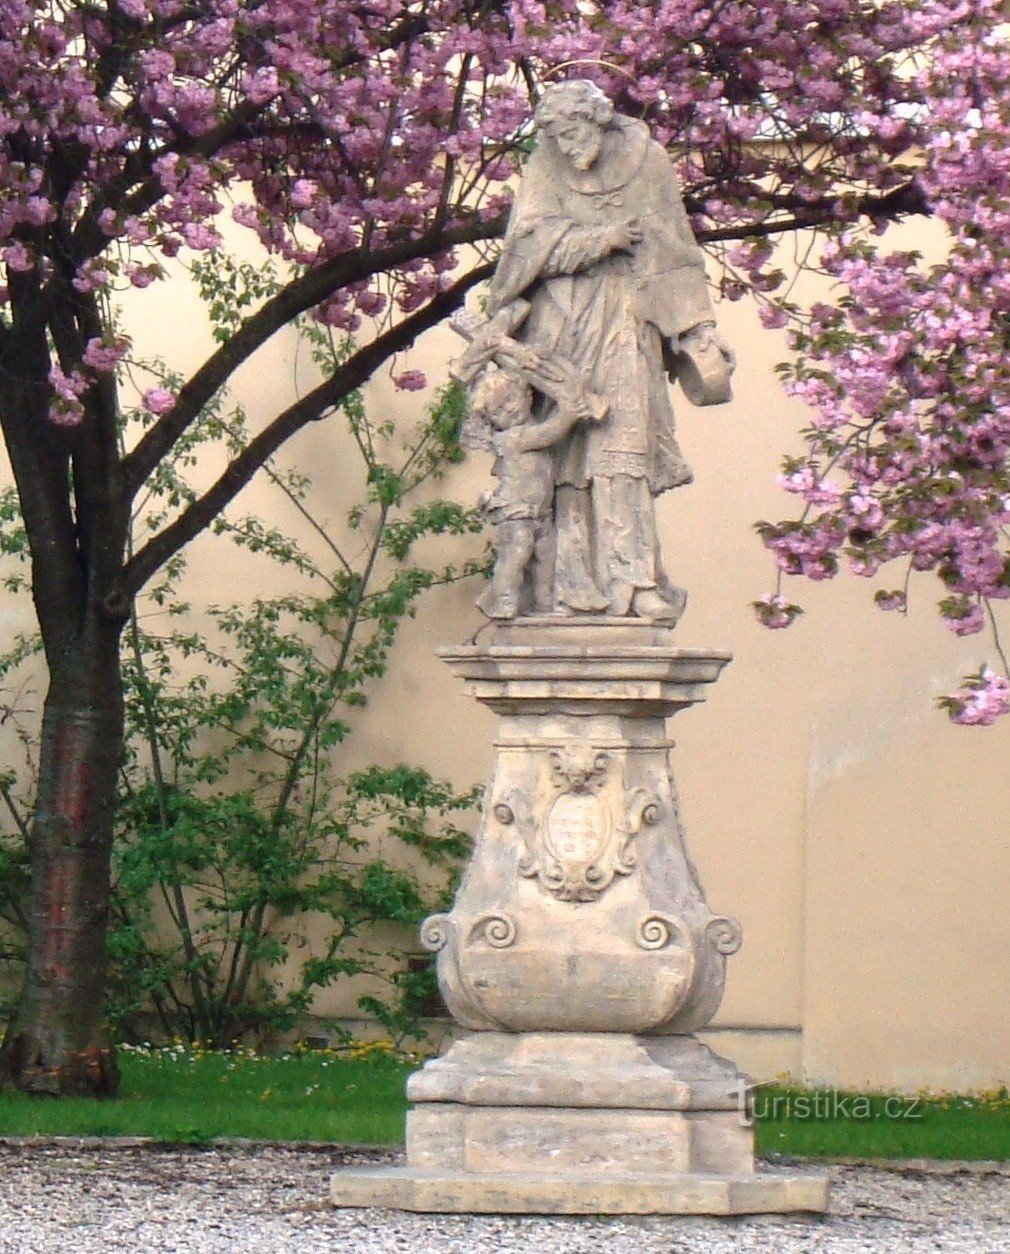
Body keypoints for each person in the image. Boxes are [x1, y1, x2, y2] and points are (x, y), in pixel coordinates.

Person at [487, 80, 733, 621]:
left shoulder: (649, 162)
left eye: (570, 131)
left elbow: (676, 253)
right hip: (558, 325)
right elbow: (524, 250)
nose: (564, 145)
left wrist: (697, 329)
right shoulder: (545, 167)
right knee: (567, 457)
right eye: (552, 135)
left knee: (623, 448)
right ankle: (571, 586)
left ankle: (635, 578)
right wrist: (599, 240)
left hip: (627, 316)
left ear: (595, 119)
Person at [467, 366, 603, 619]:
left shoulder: (525, 432)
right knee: (516, 554)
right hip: (515, 512)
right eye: (498, 410)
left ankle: (544, 604)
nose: (508, 409)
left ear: (527, 395)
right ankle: (502, 599)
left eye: (510, 399)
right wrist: (568, 412)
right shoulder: (511, 438)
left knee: (546, 560)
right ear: (491, 422)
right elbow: (548, 433)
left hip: (540, 513)